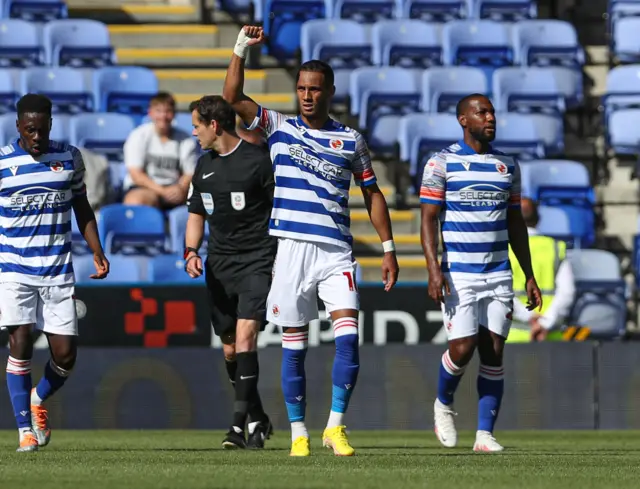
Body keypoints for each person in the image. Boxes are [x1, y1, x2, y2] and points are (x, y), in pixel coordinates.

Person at [223, 25, 400, 457]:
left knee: (348, 337)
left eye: (315, 89)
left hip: (337, 251)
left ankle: (335, 427)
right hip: (291, 252)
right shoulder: (277, 127)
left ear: (330, 91)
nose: (306, 95)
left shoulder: (350, 140)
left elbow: (372, 192)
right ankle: (299, 432)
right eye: (301, 88)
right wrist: (241, 49)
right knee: (294, 347)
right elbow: (231, 99)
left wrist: (390, 248)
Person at [419, 94, 542, 453]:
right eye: (481, 112)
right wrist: (432, 269)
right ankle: (443, 404)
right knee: (463, 347)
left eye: (491, 112)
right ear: (463, 120)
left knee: (493, 352)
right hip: (459, 273)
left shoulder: (507, 165)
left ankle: (484, 436)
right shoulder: (441, 163)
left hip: (499, 272)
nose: (490, 118)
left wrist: (528, 275)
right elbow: (427, 218)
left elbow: (516, 222)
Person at [0, 94, 110, 452]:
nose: (37, 137)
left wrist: (96, 249)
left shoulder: (68, 158)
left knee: (65, 355)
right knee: (20, 341)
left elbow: (81, 205)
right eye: (30, 130)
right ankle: (24, 432)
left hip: (57, 270)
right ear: (18, 126)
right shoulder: (2, 163)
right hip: (15, 268)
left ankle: (36, 399)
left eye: (42, 130)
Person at [184, 95, 274, 449]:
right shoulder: (202, 166)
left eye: (196, 126)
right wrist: (191, 251)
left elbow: (277, 209)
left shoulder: (258, 161)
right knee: (230, 351)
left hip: (257, 260)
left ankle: (238, 427)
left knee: (246, 336)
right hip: (219, 267)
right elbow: (196, 214)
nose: (193, 133)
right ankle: (259, 418)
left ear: (214, 125)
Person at [508, 197, 576, 342]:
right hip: (550, 337)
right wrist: (544, 323)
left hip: (513, 337)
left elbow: (501, 293)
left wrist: (530, 318)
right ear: (538, 219)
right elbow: (567, 292)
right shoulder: (556, 248)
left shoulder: (503, 250)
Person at [122, 92, 197, 210]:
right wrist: (162, 191)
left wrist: (180, 188)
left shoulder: (185, 139)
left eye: (168, 111)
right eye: (158, 111)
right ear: (150, 113)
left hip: (175, 190)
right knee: (135, 201)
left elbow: (190, 172)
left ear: (174, 114)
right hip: (146, 188)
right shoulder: (138, 136)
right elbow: (136, 175)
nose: (163, 116)